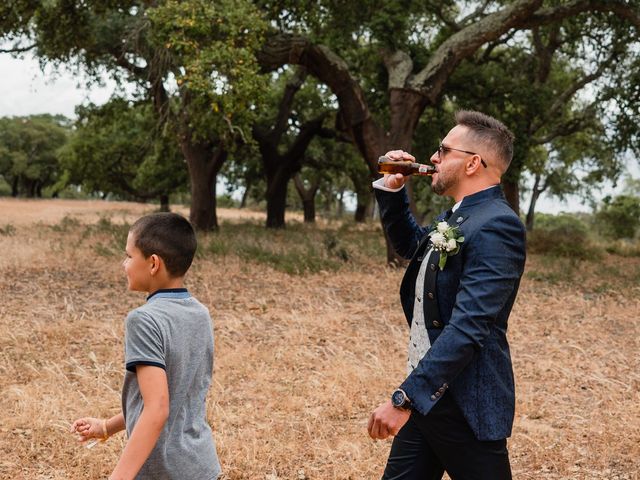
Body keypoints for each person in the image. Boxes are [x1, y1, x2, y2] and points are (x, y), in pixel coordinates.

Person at [367, 110, 526, 480]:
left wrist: (403, 399)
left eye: (443, 149)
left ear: (473, 163)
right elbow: (412, 245)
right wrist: (393, 192)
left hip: (466, 406)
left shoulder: (498, 225)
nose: (433, 158)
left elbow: (470, 327)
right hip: (427, 396)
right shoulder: (458, 216)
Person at [71, 212, 221, 480]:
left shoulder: (144, 320)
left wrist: (119, 476)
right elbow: (176, 396)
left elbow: (158, 408)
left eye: (129, 256)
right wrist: (107, 427)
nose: (123, 263)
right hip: (201, 465)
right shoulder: (200, 313)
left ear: (153, 264)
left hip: (163, 471)